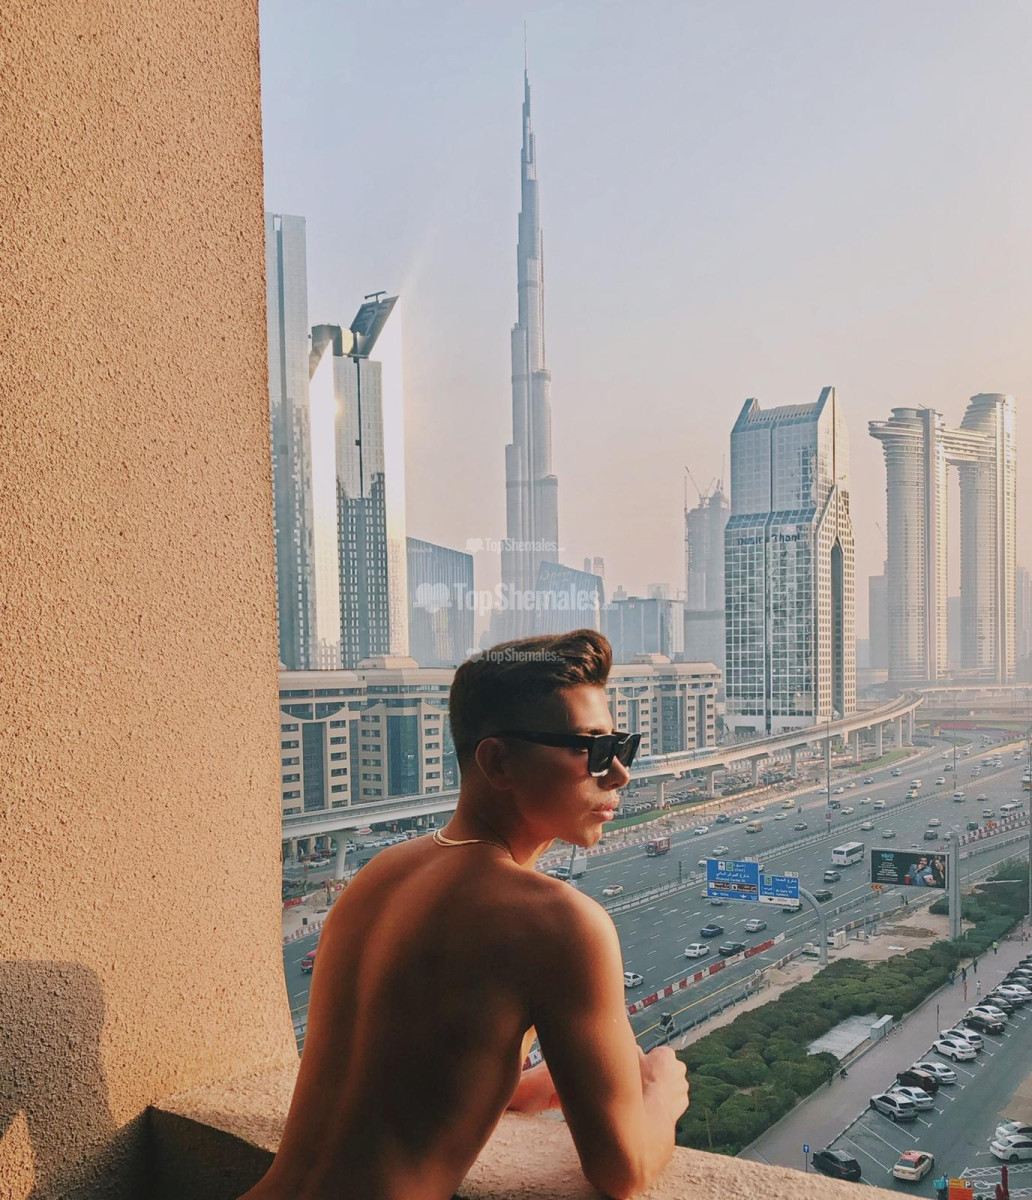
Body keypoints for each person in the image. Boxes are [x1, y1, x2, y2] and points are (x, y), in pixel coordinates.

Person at [237, 630, 689, 1200]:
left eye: (622, 746)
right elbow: (624, 1169)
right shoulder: (558, 922)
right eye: (592, 750)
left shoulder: (379, 876)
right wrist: (663, 1091)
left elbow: (408, 1080)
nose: (620, 774)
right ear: (497, 761)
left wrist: (525, 1087)